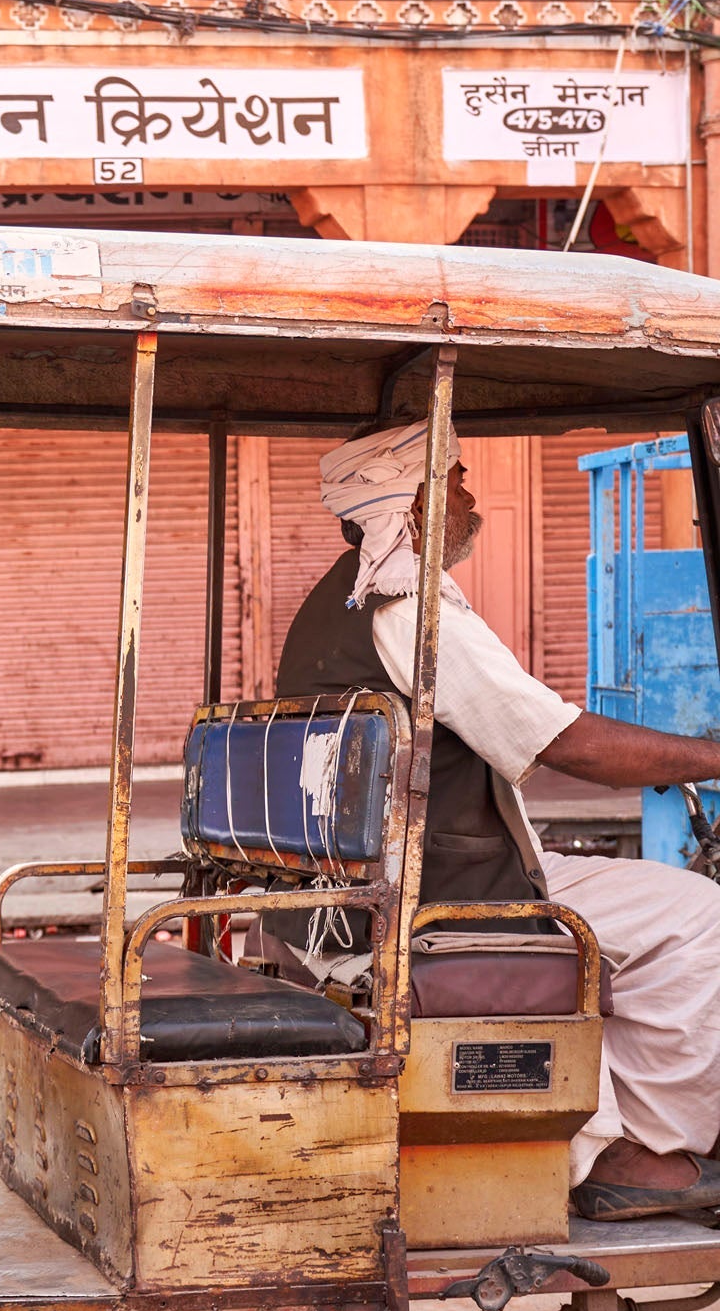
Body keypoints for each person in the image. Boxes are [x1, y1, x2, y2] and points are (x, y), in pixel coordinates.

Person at [276, 418, 720, 1222]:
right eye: (457, 482)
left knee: (660, 915)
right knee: (701, 918)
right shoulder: (408, 607)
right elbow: (565, 740)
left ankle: (608, 1127)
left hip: (376, 878)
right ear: (414, 504)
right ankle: (633, 1152)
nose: (473, 497)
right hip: (437, 889)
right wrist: (709, 755)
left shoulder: (335, 603)